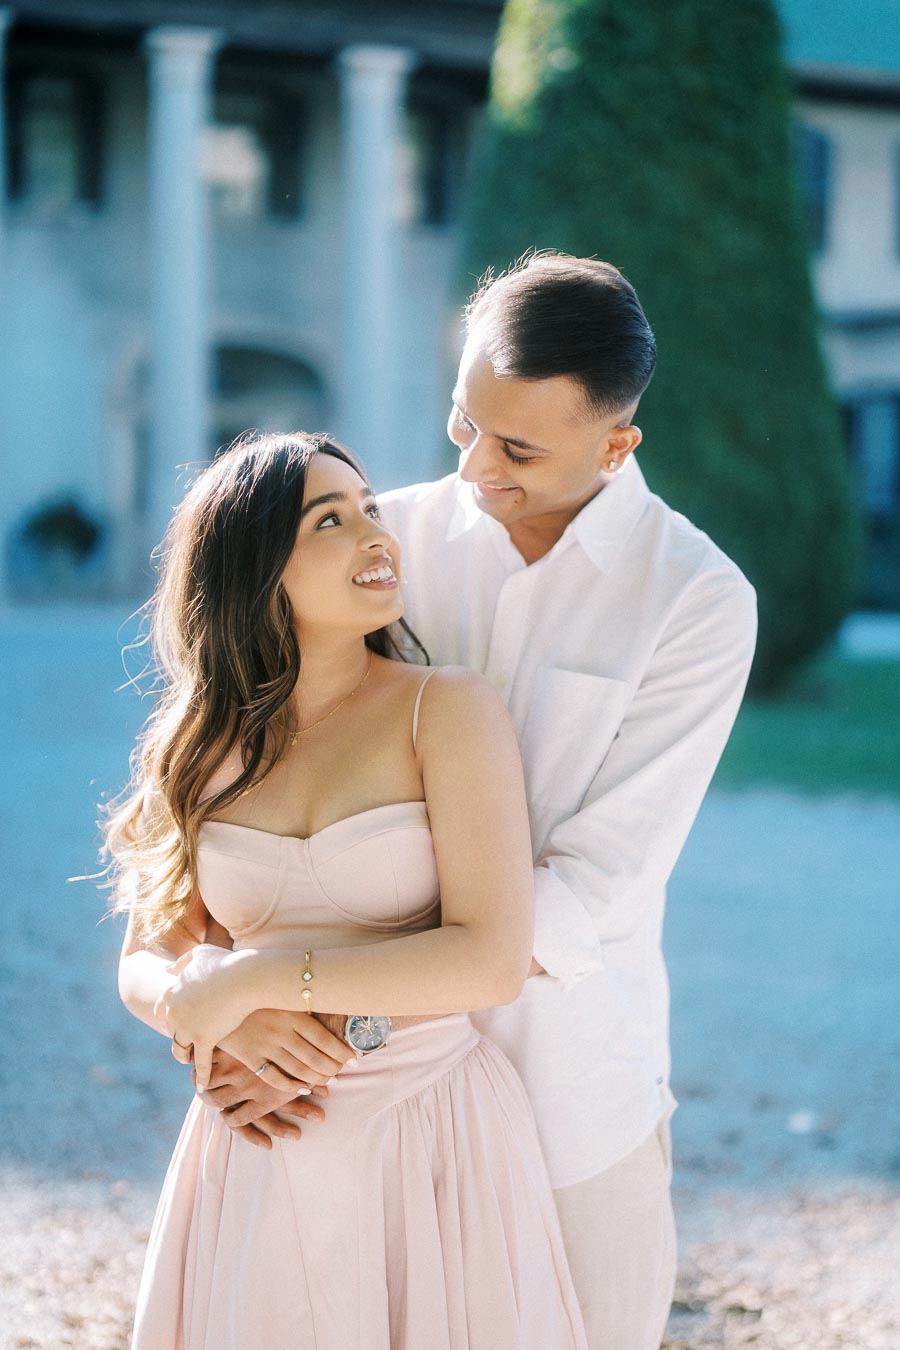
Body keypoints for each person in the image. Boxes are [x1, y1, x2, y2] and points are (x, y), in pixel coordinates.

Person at [196, 255, 758, 1349]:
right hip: (357, 1110)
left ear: (617, 445)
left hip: (565, 1092)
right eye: (464, 423)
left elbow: (596, 884)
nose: (475, 467)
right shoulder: (382, 542)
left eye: (519, 451)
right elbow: (248, 788)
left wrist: (315, 1011)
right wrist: (223, 1012)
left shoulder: (694, 600)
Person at [110, 432, 588, 1349]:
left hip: (429, 1128)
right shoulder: (197, 745)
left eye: (370, 509)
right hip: (256, 1133)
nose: (377, 536)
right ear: (256, 568)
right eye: (330, 521)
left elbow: (491, 959)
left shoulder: (445, 708)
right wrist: (207, 1019)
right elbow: (147, 957)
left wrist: (256, 983)